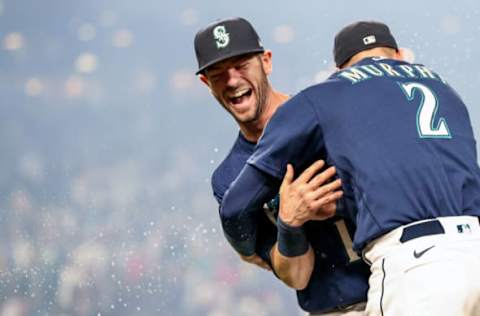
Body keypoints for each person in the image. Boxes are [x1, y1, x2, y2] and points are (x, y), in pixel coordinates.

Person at [220, 20, 480, 316]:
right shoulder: (445, 89)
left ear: (340, 67)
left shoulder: (330, 93)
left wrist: (250, 246)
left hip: (417, 266)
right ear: (396, 55)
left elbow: (234, 208)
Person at [194, 17, 370, 315]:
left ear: (266, 62)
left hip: (400, 284)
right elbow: (297, 276)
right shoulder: (231, 180)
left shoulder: (326, 115)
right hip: (337, 309)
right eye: (218, 73)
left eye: (242, 65)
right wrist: (289, 222)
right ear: (206, 83)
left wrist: (341, 204)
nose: (233, 80)